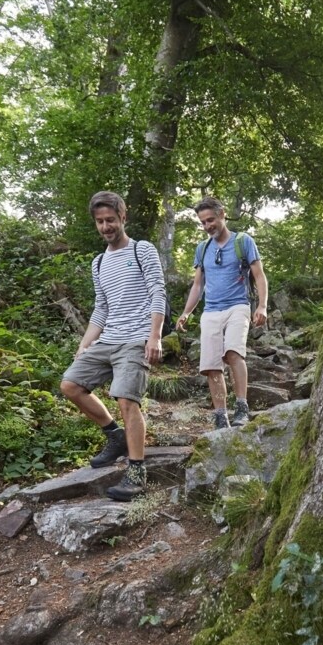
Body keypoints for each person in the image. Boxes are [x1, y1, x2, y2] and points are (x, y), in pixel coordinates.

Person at [60, 191, 166, 501]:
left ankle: (136, 473)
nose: (106, 226)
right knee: (70, 385)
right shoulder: (98, 262)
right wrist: (85, 344)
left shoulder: (142, 250)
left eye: (110, 220)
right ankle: (114, 435)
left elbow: (158, 293)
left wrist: (155, 335)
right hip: (108, 339)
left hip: (136, 339)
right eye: (100, 221)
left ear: (123, 218)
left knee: (125, 400)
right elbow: (101, 308)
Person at [176, 196, 269, 429]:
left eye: (211, 220)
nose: (208, 226)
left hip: (238, 305)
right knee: (210, 365)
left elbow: (259, 276)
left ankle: (241, 406)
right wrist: (187, 312)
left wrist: (262, 306)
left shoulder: (243, 241)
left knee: (233, 353)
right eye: (203, 223)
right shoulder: (202, 248)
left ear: (222, 215)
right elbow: (198, 285)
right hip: (211, 311)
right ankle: (220, 414)